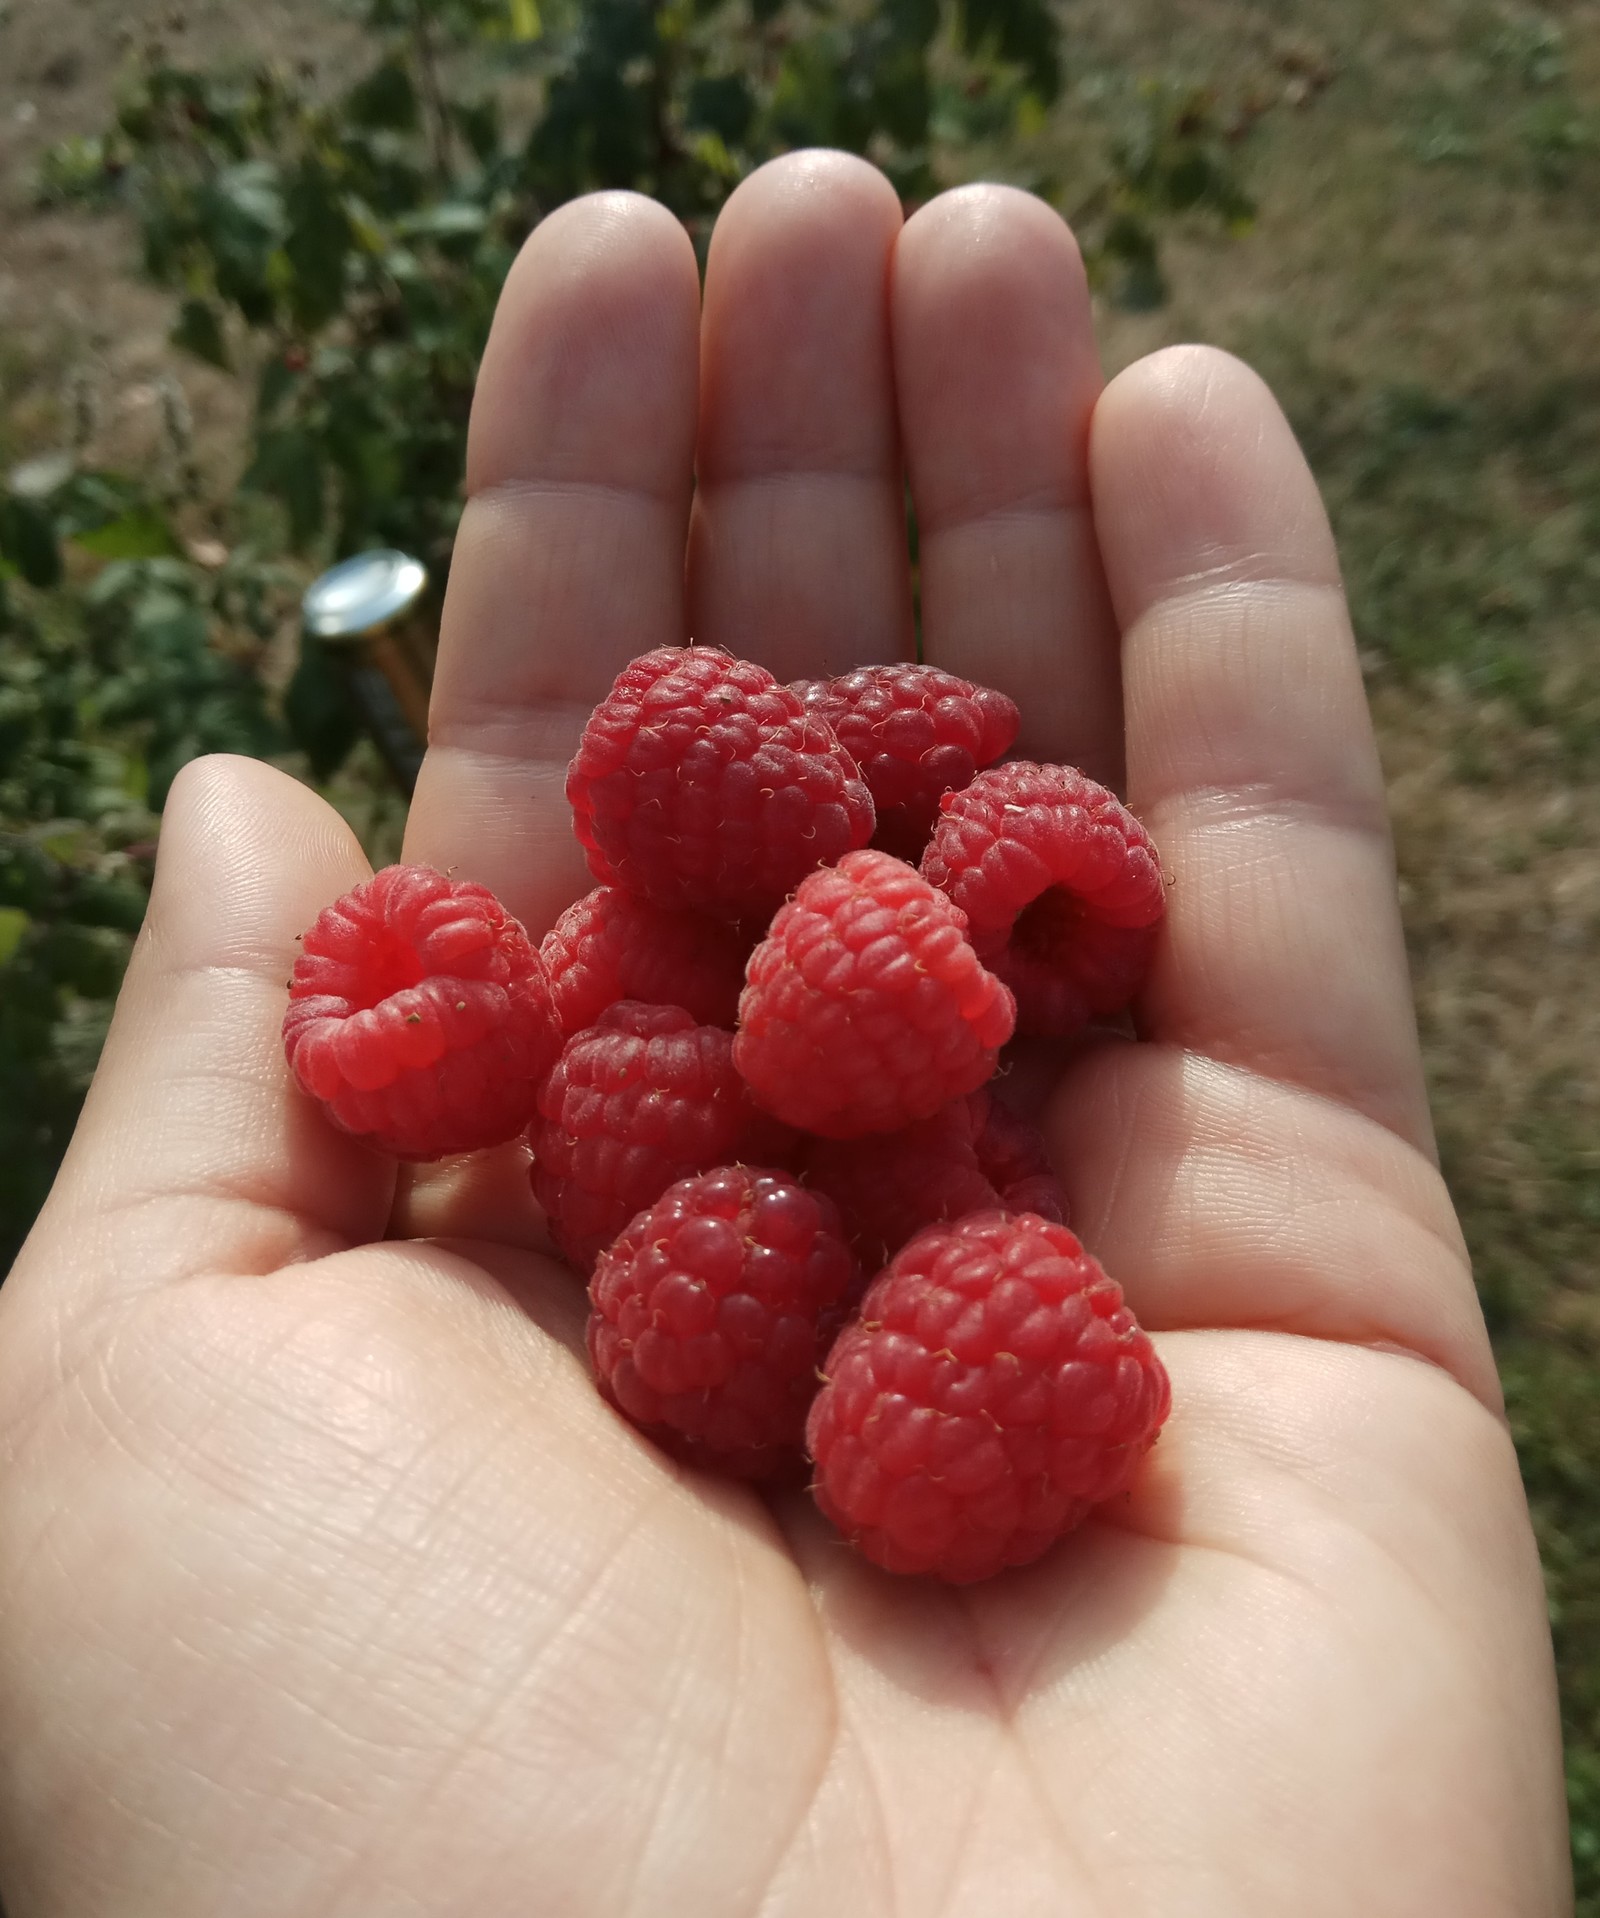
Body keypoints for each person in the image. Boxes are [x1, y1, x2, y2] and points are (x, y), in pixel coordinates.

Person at [0, 151, 1570, 1914]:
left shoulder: (864, 1073)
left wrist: (877, 1043)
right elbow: (723, 1116)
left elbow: (879, 1153)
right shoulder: (705, 1048)